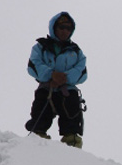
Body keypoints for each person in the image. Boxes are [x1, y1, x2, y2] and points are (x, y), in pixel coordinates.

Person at [25, 12, 87, 148]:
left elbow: (82, 71)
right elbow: (33, 65)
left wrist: (64, 78)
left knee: (71, 116)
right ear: (54, 28)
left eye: (68, 28)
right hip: (47, 88)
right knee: (41, 113)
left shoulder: (76, 51)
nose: (65, 31)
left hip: (67, 91)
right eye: (61, 27)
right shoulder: (41, 47)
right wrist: (51, 75)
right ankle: (37, 140)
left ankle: (72, 142)